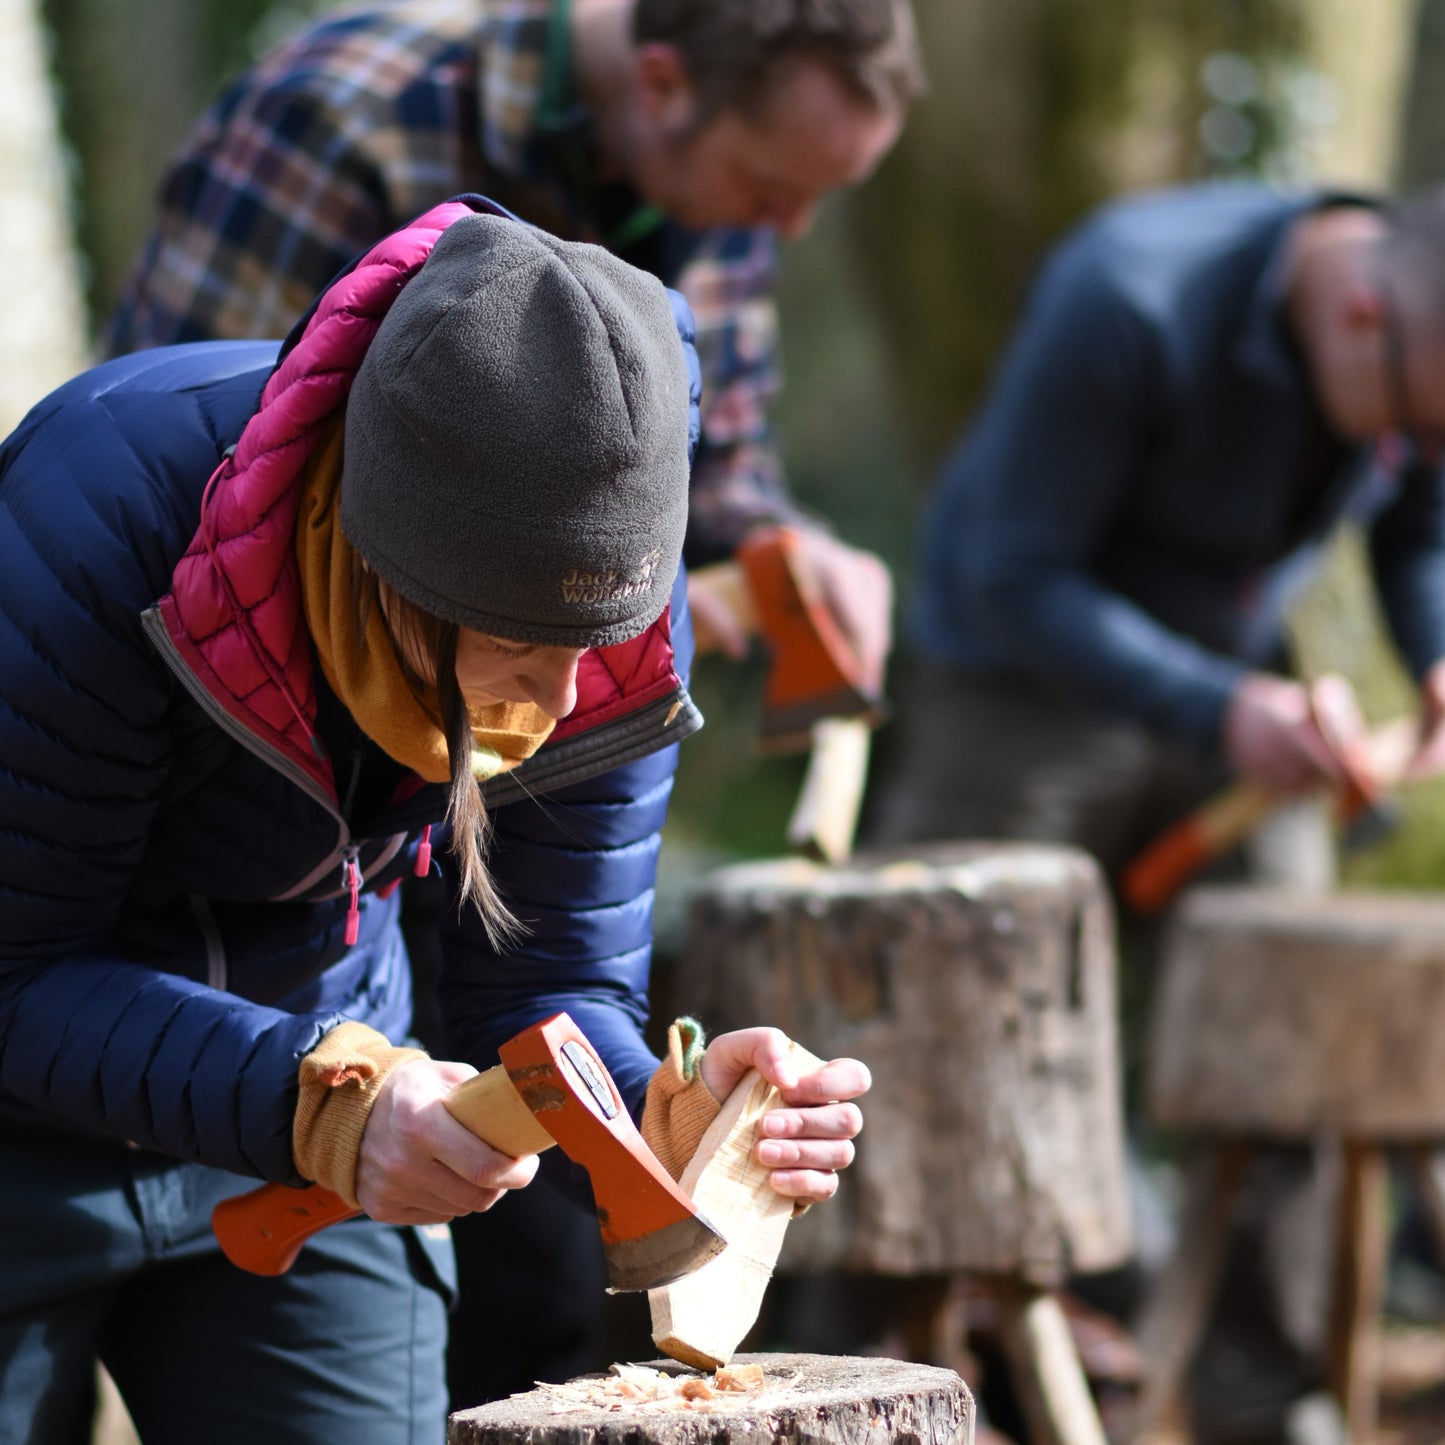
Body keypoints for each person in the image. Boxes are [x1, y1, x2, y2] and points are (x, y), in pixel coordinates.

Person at [0, 198, 870, 1445]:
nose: (567, 699)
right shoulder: (96, 522)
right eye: (518, 643)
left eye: (598, 643)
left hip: (323, 1116)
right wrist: (326, 1100)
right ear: (383, 561)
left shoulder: (600, 584)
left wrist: (666, 1117)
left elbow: (551, 978)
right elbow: (14, 967)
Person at [871, 181, 1445, 1443]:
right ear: (1359, 313)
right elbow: (1012, 570)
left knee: (1293, 997)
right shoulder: (1128, 294)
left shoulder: (1413, 353)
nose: (1420, 452)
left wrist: (1435, 647)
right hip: (1020, 673)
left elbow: (1414, 523)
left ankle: (1257, 1387)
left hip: (1227, 685)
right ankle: (883, 1354)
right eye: (1419, 426)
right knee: (945, 1013)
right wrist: (1219, 707)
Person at [102, 0, 925, 691]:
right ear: (664, 85)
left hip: (507, 731)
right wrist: (594, 584)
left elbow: (717, 457)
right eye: (774, 189)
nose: (789, 225)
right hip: (234, 693)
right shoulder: (352, 117)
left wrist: (780, 550)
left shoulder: (716, 181)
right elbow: (187, 464)